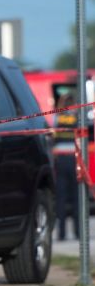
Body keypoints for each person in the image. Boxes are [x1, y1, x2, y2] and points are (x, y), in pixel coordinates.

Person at [52, 92, 80, 241]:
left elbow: (52, 135)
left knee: (61, 199)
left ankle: (61, 233)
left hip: (61, 159)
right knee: (77, 197)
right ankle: (78, 232)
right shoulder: (77, 117)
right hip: (75, 159)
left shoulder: (57, 116)